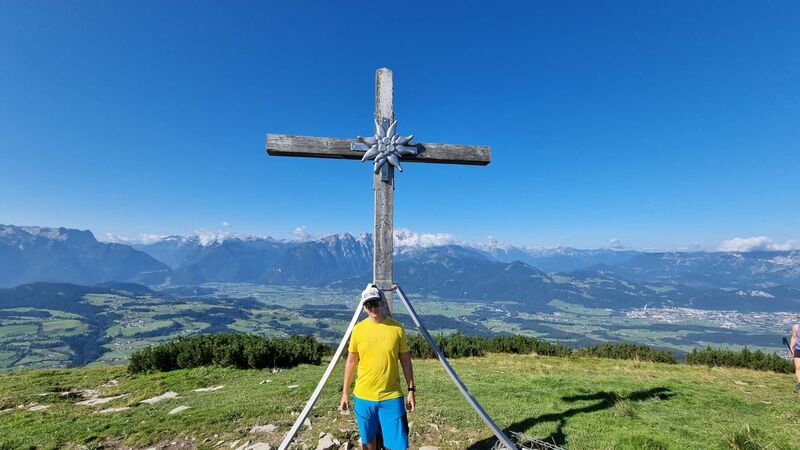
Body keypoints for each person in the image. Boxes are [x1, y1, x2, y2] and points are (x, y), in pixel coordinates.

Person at [340, 284, 415, 450]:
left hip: (391, 396)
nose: (373, 307)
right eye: (368, 305)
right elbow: (351, 361)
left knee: (399, 445)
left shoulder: (397, 329)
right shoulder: (358, 330)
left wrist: (411, 390)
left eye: (375, 303)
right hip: (363, 396)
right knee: (367, 442)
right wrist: (345, 393)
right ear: (364, 308)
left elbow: (406, 361)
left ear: (382, 303)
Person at [790, 317, 800, 393]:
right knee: (798, 367)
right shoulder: (796, 327)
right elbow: (794, 337)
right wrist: (791, 348)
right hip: (798, 349)